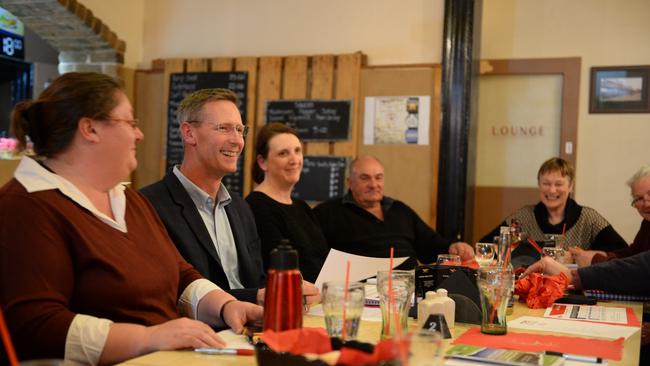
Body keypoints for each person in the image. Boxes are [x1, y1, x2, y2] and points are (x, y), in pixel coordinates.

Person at [0, 73, 262, 364]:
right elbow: (37, 326)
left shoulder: (130, 200)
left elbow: (180, 275)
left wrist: (227, 305)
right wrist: (148, 338)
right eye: (130, 123)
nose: (139, 134)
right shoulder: (28, 205)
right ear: (90, 128)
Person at [140, 89, 319, 305]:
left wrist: (285, 288)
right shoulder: (149, 206)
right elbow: (172, 292)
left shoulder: (240, 207)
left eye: (240, 130)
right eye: (223, 128)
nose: (237, 141)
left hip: (252, 331)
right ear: (189, 133)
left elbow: (256, 279)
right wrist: (256, 297)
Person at [314, 156, 474, 269]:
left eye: (378, 178)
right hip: (358, 293)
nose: (373, 184)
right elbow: (314, 258)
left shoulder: (399, 209)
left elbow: (430, 244)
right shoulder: (327, 213)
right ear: (349, 182)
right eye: (365, 178)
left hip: (409, 289)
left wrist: (453, 247)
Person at [480, 157, 627, 254]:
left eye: (558, 184)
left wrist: (586, 256)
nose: (551, 190)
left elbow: (622, 253)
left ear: (571, 186)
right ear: (539, 185)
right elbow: (486, 246)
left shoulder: (589, 218)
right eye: (546, 183)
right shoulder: (523, 217)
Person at [245, 123, 330, 283]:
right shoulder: (256, 206)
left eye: (297, 151)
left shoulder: (302, 207)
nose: (294, 160)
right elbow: (276, 270)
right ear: (263, 162)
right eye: (283, 153)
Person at [571, 166, 650, 267]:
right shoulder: (647, 222)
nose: (646, 204)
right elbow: (633, 253)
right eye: (639, 198)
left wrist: (596, 259)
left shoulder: (588, 214)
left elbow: (640, 268)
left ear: (570, 187)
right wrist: (604, 255)